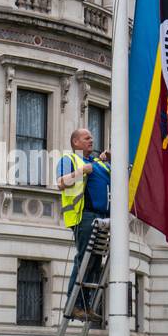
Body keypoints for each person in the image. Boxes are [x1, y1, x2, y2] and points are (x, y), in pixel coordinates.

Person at [55, 127, 111, 322]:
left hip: (105, 218)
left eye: (92, 138)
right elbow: (61, 183)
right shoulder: (70, 160)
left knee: (95, 262)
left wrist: (108, 159)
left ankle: (85, 305)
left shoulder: (98, 164)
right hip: (84, 216)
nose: (91, 140)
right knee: (84, 260)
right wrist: (80, 172)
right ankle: (75, 304)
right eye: (87, 138)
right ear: (75, 142)